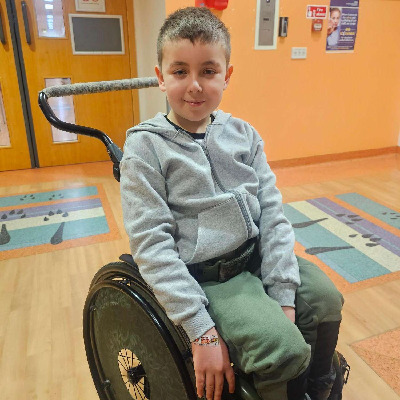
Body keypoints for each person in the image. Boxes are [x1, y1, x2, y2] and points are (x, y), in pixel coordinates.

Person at [120, 6, 344, 400]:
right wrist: (201, 332)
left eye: (208, 71)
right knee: (283, 349)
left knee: (326, 301)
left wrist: (283, 295)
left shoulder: (244, 135)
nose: (194, 85)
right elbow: (151, 245)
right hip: (207, 278)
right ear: (160, 77)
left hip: (256, 254)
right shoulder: (145, 147)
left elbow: (272, 215)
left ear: (227, 75)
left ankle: (319, 386)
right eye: (179, 71)